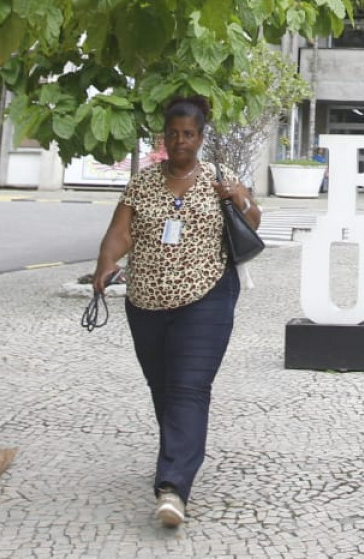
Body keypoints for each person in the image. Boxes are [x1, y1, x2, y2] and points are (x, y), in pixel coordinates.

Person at [92, 96, 261, 530]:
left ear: (201, 138)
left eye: (189, 134)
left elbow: (253, 222)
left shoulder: (220, 179)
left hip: (207, 297)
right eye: (174, 133)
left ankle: (172, 487)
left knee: (188, 386)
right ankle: (176, 456)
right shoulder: (142, 184)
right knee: (163, 386)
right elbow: (120, 232)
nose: (181, 141)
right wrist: (106, 263)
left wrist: (241, 198)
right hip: (145, 302)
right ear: (163, 137)